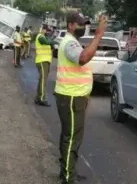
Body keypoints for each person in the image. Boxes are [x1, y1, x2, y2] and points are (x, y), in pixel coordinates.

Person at [54, 12, 107, 184]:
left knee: (68, 136)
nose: (83, 27)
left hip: (73, 95)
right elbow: (83, 58)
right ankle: (68, 177)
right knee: (72, 137)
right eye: (80, 24)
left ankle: (68, 172)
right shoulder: (70, 43)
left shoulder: (72, 42)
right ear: (70, 25)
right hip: (71, 97)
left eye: (85, 24)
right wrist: (99, 35)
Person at [34, 24, 57, 106]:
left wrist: (52, 42)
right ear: (43, 29)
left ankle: (38, 98)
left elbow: (51, 46)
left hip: (46, 61)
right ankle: (42, 99)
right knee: (43, 80)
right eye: (46, 30)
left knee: (42, 80)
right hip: (42, 61)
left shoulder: (45, 37)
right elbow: (47, 42)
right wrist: (54, 41)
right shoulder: (40, 37)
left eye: (48, 31)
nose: (47, 32)